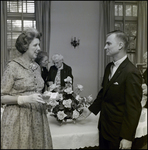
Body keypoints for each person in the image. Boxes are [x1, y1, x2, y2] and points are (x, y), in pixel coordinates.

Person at [80, 30, 142, 149]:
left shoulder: (131, 72)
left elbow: (133, 108)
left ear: (120, 45)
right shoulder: (109, 67)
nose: (105, 47)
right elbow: (104, 92)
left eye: (108, 44)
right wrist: (90, 110)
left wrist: (127, 137)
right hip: (104, 127)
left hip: (118, 132)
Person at [1, 28, 53, 149]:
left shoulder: (36, 67)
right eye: (35, 45)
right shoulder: (13, 66)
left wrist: (44, 97)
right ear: (25, 46)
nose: (39, 48)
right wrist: (25, 99)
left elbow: (36, 90)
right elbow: (2, 97)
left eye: (39, 45)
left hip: (38, 118)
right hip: (18, 120)